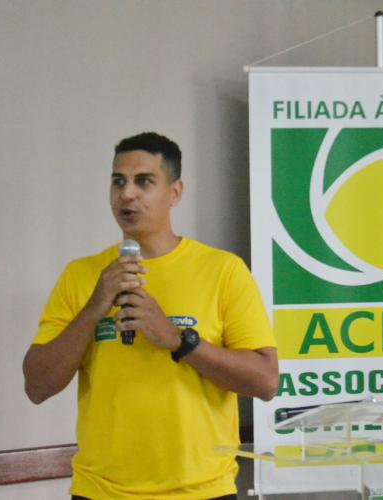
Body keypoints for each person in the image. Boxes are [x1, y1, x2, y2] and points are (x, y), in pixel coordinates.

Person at [22, 132, 279, 500]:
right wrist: (95, 307)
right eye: (118, 181)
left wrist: (177, 340)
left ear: (175, 193)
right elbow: (37, 386)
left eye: (143, 181)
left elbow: (266, 381)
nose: (127, 194)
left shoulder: (223, 271)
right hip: (101, 492)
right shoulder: (81, 276)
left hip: (201, 491)